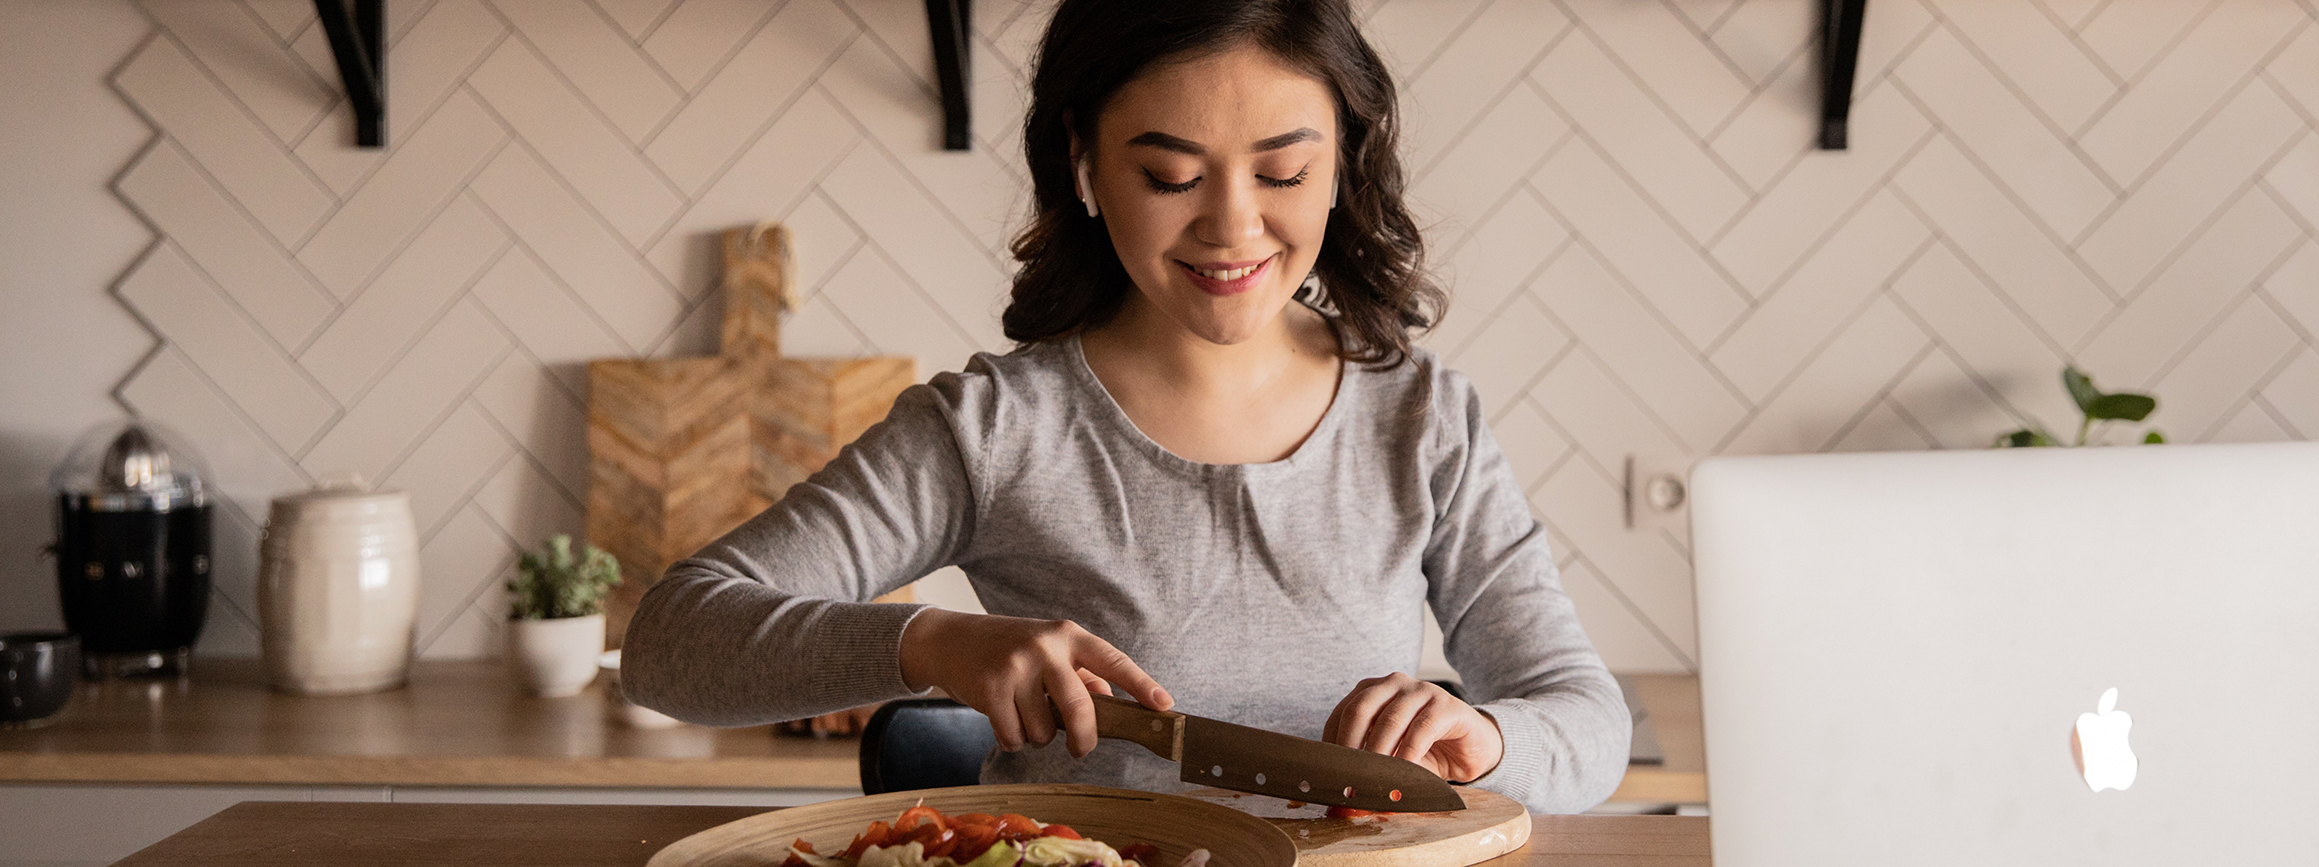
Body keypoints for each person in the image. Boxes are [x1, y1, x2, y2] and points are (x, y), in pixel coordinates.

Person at [620, 0, 1629, 814]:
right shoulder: (993, 429)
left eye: (1282, 171)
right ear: (1084, 163)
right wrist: (927, 646)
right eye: (1170, 175)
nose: (1232, 226)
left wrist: (1487, 739)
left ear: (1344, 162)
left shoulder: (1422, 422)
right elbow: (670, 644)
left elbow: (1587, 726)